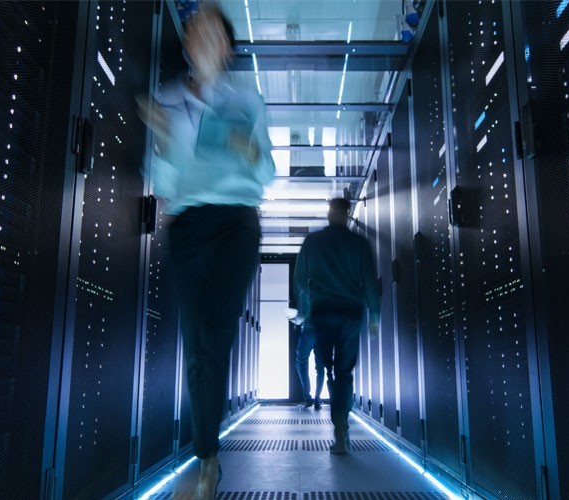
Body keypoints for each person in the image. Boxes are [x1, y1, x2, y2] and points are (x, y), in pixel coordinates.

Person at [138, 3, 275, 499]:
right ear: (187, 42)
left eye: (213, 31)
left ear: (229, 47)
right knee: (197, 340)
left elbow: (267, 175)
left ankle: (206, 460)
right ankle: (208, 458)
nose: (202, 36)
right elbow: (168, 181)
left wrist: (251, 152)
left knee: (215, 333)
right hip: (189, 224)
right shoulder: (169, 98)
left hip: (237, 222)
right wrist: (161, 142)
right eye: (196, 29)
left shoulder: (248, 100)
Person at [293, 198, 380, 455]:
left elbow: (299, 280)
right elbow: (370, 282)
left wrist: (305, 312)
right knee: (345, 371)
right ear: (348, 213)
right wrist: (374, 315)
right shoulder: (360, 244)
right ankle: (342, 422)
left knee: (328, 369)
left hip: (322, 314)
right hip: (351, 314)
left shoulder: (313, 243)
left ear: (329, 213)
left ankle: (338, 423)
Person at [293, 293, 327, 410]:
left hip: (308, 331)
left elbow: (302, 317)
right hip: (323, 333)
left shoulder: (305, 294)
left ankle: (308, 398)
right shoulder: (327, 290)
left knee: (301, 363)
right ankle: (317, 399)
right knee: (320, 367)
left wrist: (293, 319)